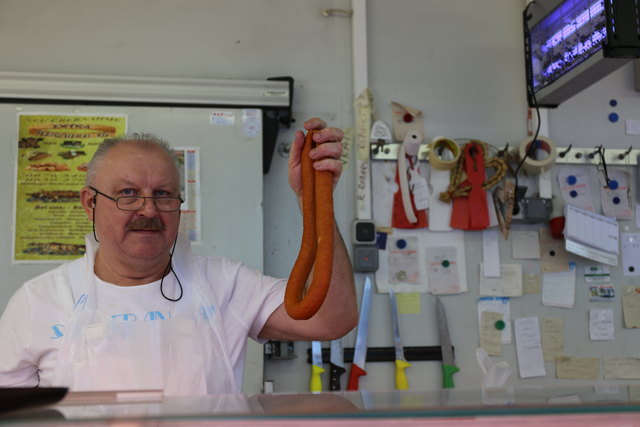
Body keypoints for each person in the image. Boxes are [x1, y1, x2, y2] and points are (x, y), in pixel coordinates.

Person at [0, 118, 357, 395]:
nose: (149, 209)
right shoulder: (39, 301)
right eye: (127, 193)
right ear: (90, 203)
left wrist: (313, 199)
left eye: (164, 194)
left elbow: (331, 319)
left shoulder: (223, 284)